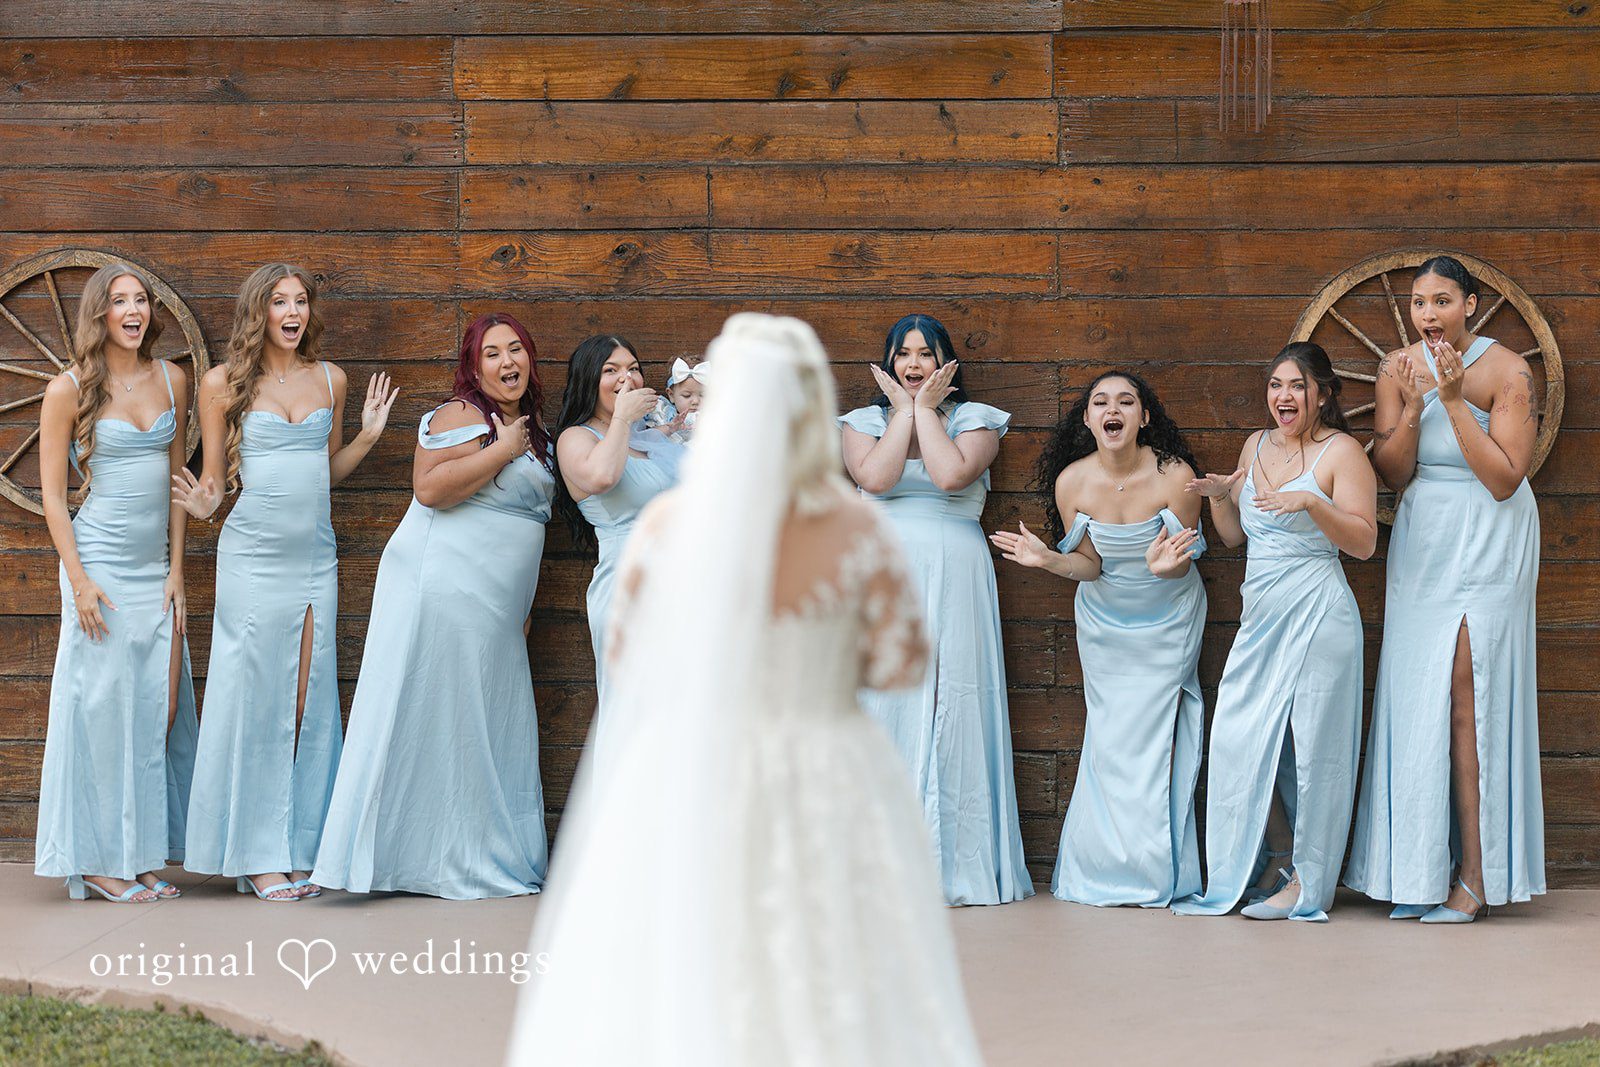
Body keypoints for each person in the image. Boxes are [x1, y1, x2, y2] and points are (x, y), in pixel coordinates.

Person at [506, 313, 983, 1067]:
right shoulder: (854, 531)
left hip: (705, 749)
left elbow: (634, 664)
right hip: (825, 762)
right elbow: (900, 666)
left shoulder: (665, 530)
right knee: (821, 937)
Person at [173, 263, 397, 901]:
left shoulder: (332, 379)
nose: (293, 312)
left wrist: (369, 437)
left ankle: (300, 846)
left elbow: (325, 471)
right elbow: (215, 482)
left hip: (314, 560)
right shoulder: (224, 383)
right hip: (251, 556)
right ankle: (257, 854)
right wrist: (202, 506)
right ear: (260, 312)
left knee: (306, 702)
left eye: (301, 301)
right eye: (280, 302)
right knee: (256, 701)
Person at [312, 313, 553, 899]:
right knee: (439, 718)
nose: (506, 363)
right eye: (491, 354)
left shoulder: (531, 427)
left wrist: (523, 601)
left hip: (493, 607)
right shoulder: (466, 415)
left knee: (481, 724)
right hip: (446, 588)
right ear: (473, 367)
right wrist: (504, 449)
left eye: (515, 349)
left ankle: (464, 850)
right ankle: (424, 858)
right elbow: (430, 488)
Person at [1346, 255, 1543, 922]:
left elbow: (1504, 478)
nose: (1428, 314)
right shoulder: (1397, 367)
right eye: (1419, 302)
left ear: (1470, 305)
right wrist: (1412, 404)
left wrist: (1454, 400)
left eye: (1442, 300)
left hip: (1489, 535)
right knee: (1418, 692)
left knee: (1469, 690)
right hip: (1425, 539)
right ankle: (1418, 868)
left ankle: (1476, 876)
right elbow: (1395, 473)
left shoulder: (1509, 370)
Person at [1172, 343, 1376, 922]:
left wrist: (1313, 501)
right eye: (1275, 385)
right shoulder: (1254, 446)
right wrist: (1217, 500)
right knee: (1240, 735)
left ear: (1323, 394)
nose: (1283, 397)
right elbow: (1237, 537)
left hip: (1318, 609)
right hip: (1261, 616)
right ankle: (1274, 860)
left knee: (1315, 747)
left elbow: (1362, 542)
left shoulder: (1342, 453)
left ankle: (1308, 883)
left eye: (1296, 386)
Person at [991, 371, 1206, 908]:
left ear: (1144, 417)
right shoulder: (1072, 483)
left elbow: (1182, 564)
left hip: (1169, 614)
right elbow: (1089, 566)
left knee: (1154, 743)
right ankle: (1098, 869)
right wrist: (1046, 560)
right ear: (1088, 420)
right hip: (1105, 622)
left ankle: (1159, 873)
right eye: (1101, 402)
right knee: (1110, 742)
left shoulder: (1174, 474)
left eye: (1127, 401)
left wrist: (1165, 569)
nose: (1114, 410)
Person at [839, 313, 1031, 906]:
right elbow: (875, 474)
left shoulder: (976, 422)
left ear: (948, 362)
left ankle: (956, 866)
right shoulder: (863, 423)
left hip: (956, 571)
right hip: (884, 573)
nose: (914, 364)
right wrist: (903, 413)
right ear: (889, 362)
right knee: (883, 704)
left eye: (926, 353)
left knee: (957, 699)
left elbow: (949, 475)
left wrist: (922, 412)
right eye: (903, 354)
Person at [34, 262, 199, 903]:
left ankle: (138, 853)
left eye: (141, 301)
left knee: (154, 713)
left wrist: (178, 570)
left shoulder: (172, 379)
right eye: (119, 301)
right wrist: (78, 582)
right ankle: (101, 862)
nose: (133, 311)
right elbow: (53, 498)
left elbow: (180, 486)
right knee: (102, 714)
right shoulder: (67, 388)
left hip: (153, 569)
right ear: (99, 313)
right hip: (96, 564)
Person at [552, 335, 682, 705]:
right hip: (630, 584)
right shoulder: (576, 438)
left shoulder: (653, 437)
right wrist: (623, 417)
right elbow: (602, 477)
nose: (627, 378)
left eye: (634, 369)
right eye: (611, 371)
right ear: (589, 380)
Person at [643, 356, 708, 443]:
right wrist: (669, 428)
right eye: (687, 395)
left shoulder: (713, 416)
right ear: (671, 395)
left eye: (703, 395)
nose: (695, 401)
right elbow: (646, 437)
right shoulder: (663, 414)